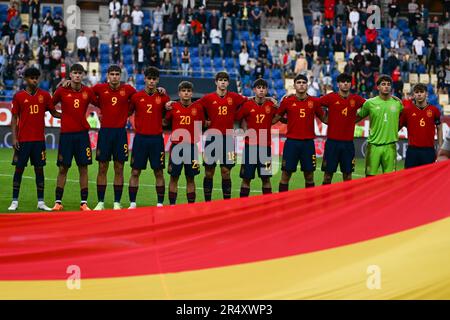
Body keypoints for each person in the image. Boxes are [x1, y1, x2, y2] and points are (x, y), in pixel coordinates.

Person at [8, 67, 61, 211]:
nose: (35, 80)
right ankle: (14, 201)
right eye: (32, 78)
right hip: (23, 140)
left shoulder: (44, 95)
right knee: (19, 170)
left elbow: (54, 112)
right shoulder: (18, 96)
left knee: (39, 170)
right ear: (25, 79)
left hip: (39, 141)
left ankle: (41, 202)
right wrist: (14, 138)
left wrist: (69, 114)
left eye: (37, 77)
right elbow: (14, 117)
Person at [51, 64, 97, 211]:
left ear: (83, 75)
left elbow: (101, 102)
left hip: (82, 135)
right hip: (66, 135)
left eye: (80, 73)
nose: (77, 75)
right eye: (75, 73)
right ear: (70, 75)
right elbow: (49, 106)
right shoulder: (62, 90)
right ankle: (58, 202)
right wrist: (60, 115)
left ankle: (84, 203)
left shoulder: (87, 91)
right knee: (63, 168)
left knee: (83, 168)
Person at [196, 71, 247, 201]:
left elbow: (249, 102)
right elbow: (195, 107)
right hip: (212, 138)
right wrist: (204, 120)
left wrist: (268, 99)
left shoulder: (234, 97)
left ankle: (226, 202)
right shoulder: (208, 98)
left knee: (226, 171)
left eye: (225, 80)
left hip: (228, 139)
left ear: (228, 83)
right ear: (216, 82)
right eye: (220, 80)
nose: (223, 82)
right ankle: (208, 202)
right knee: (209, 171)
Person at [91, 65, 136, 210]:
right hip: (105, 133)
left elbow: (140, 99)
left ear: (120, 76)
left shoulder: (128, 89)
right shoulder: (99, 88)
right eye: (112, 74)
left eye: (117, 74)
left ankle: (117, 202)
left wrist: (127, 113)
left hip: (120, 134)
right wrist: (67, 84)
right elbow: (84, 94)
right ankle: (101, 202)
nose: (115, 76)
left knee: (119, 167)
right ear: (107, 76)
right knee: (102, 167)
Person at [272, 74, 326, 191]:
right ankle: (282, 205)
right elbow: (276, 118)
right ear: (294, 85)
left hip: (308, 144)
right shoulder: (287, 101)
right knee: (286, 175)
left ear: (307, 85)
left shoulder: (314, 101)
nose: (301, 85)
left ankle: (309, 205)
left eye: (303, 82)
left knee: (309, 176)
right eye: (299, 82)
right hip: (291, 143)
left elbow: (324, 119)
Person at [128, 67, 170, 208]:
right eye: (149, 78)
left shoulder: (164, 97)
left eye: (154, 79)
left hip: (157, 139)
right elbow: (128, 113)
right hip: (140, 139)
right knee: (135, 171)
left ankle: (159, 203)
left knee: (158, 171)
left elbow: (168, 116)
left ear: (157, 80)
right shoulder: (136, 97)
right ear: (144, 79)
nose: (151, 81)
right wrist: (134, 125)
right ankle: (132, 203)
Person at [319, 73, 366, 184]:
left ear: (351, 84)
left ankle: (347, 201)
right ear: (338, 84)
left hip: (348, 144)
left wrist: (356, 119)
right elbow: (316, 104)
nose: (345, 84)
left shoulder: (356, 99)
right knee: (327, 176)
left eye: (347, 82)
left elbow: (370, 106)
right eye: (342, 82)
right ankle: (325, 201)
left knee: (348, 176)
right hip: (332, 143)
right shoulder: (330, 97)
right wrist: (324, 118)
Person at [163, 81, 204, 205]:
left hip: (191, 147)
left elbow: (201, 124)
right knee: (174, 177)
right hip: (176, 147)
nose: (186, 93)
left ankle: (190, 207)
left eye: (188, 91)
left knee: (190, 178)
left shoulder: (198, 108)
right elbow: (165, 123)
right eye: (183, 91)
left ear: (191, 93)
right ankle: (172, 206)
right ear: (179, 93)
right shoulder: (173, 107)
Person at [236, 79, 278, 197]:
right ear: (254, 90)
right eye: (258, 88)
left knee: (266, 179)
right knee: (246, 178)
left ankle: (267, 206)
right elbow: (238, 117)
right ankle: (243, 205)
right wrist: (245, 128)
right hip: (250, 147)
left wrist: (276, 105)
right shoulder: (247, 105)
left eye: (263, 88)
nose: (261, 90)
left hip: (265, 147)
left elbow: (281, 116)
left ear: (266, 90)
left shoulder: (271, 105)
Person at [356, 75, 404, 176]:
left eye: (388, 84)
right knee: (370, 177)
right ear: (378, 87)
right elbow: (356, 118)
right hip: (374, 146)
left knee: (390, 179)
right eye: (383, 84)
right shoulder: (370, 103)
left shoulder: (398, 104)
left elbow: (406, 119)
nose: (386, 86)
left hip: (390, 146)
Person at [399, 83, 443, 168]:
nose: (419, 94)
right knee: (410, 178)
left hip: (429, 150)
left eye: (421, 92)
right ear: (413, 95)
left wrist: (440, 146)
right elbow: (398, 127)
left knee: (428, 178)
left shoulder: (434, 110)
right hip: (412, 150)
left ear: (426, 94)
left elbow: (439, 127)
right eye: (416, 92)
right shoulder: (407, 110)